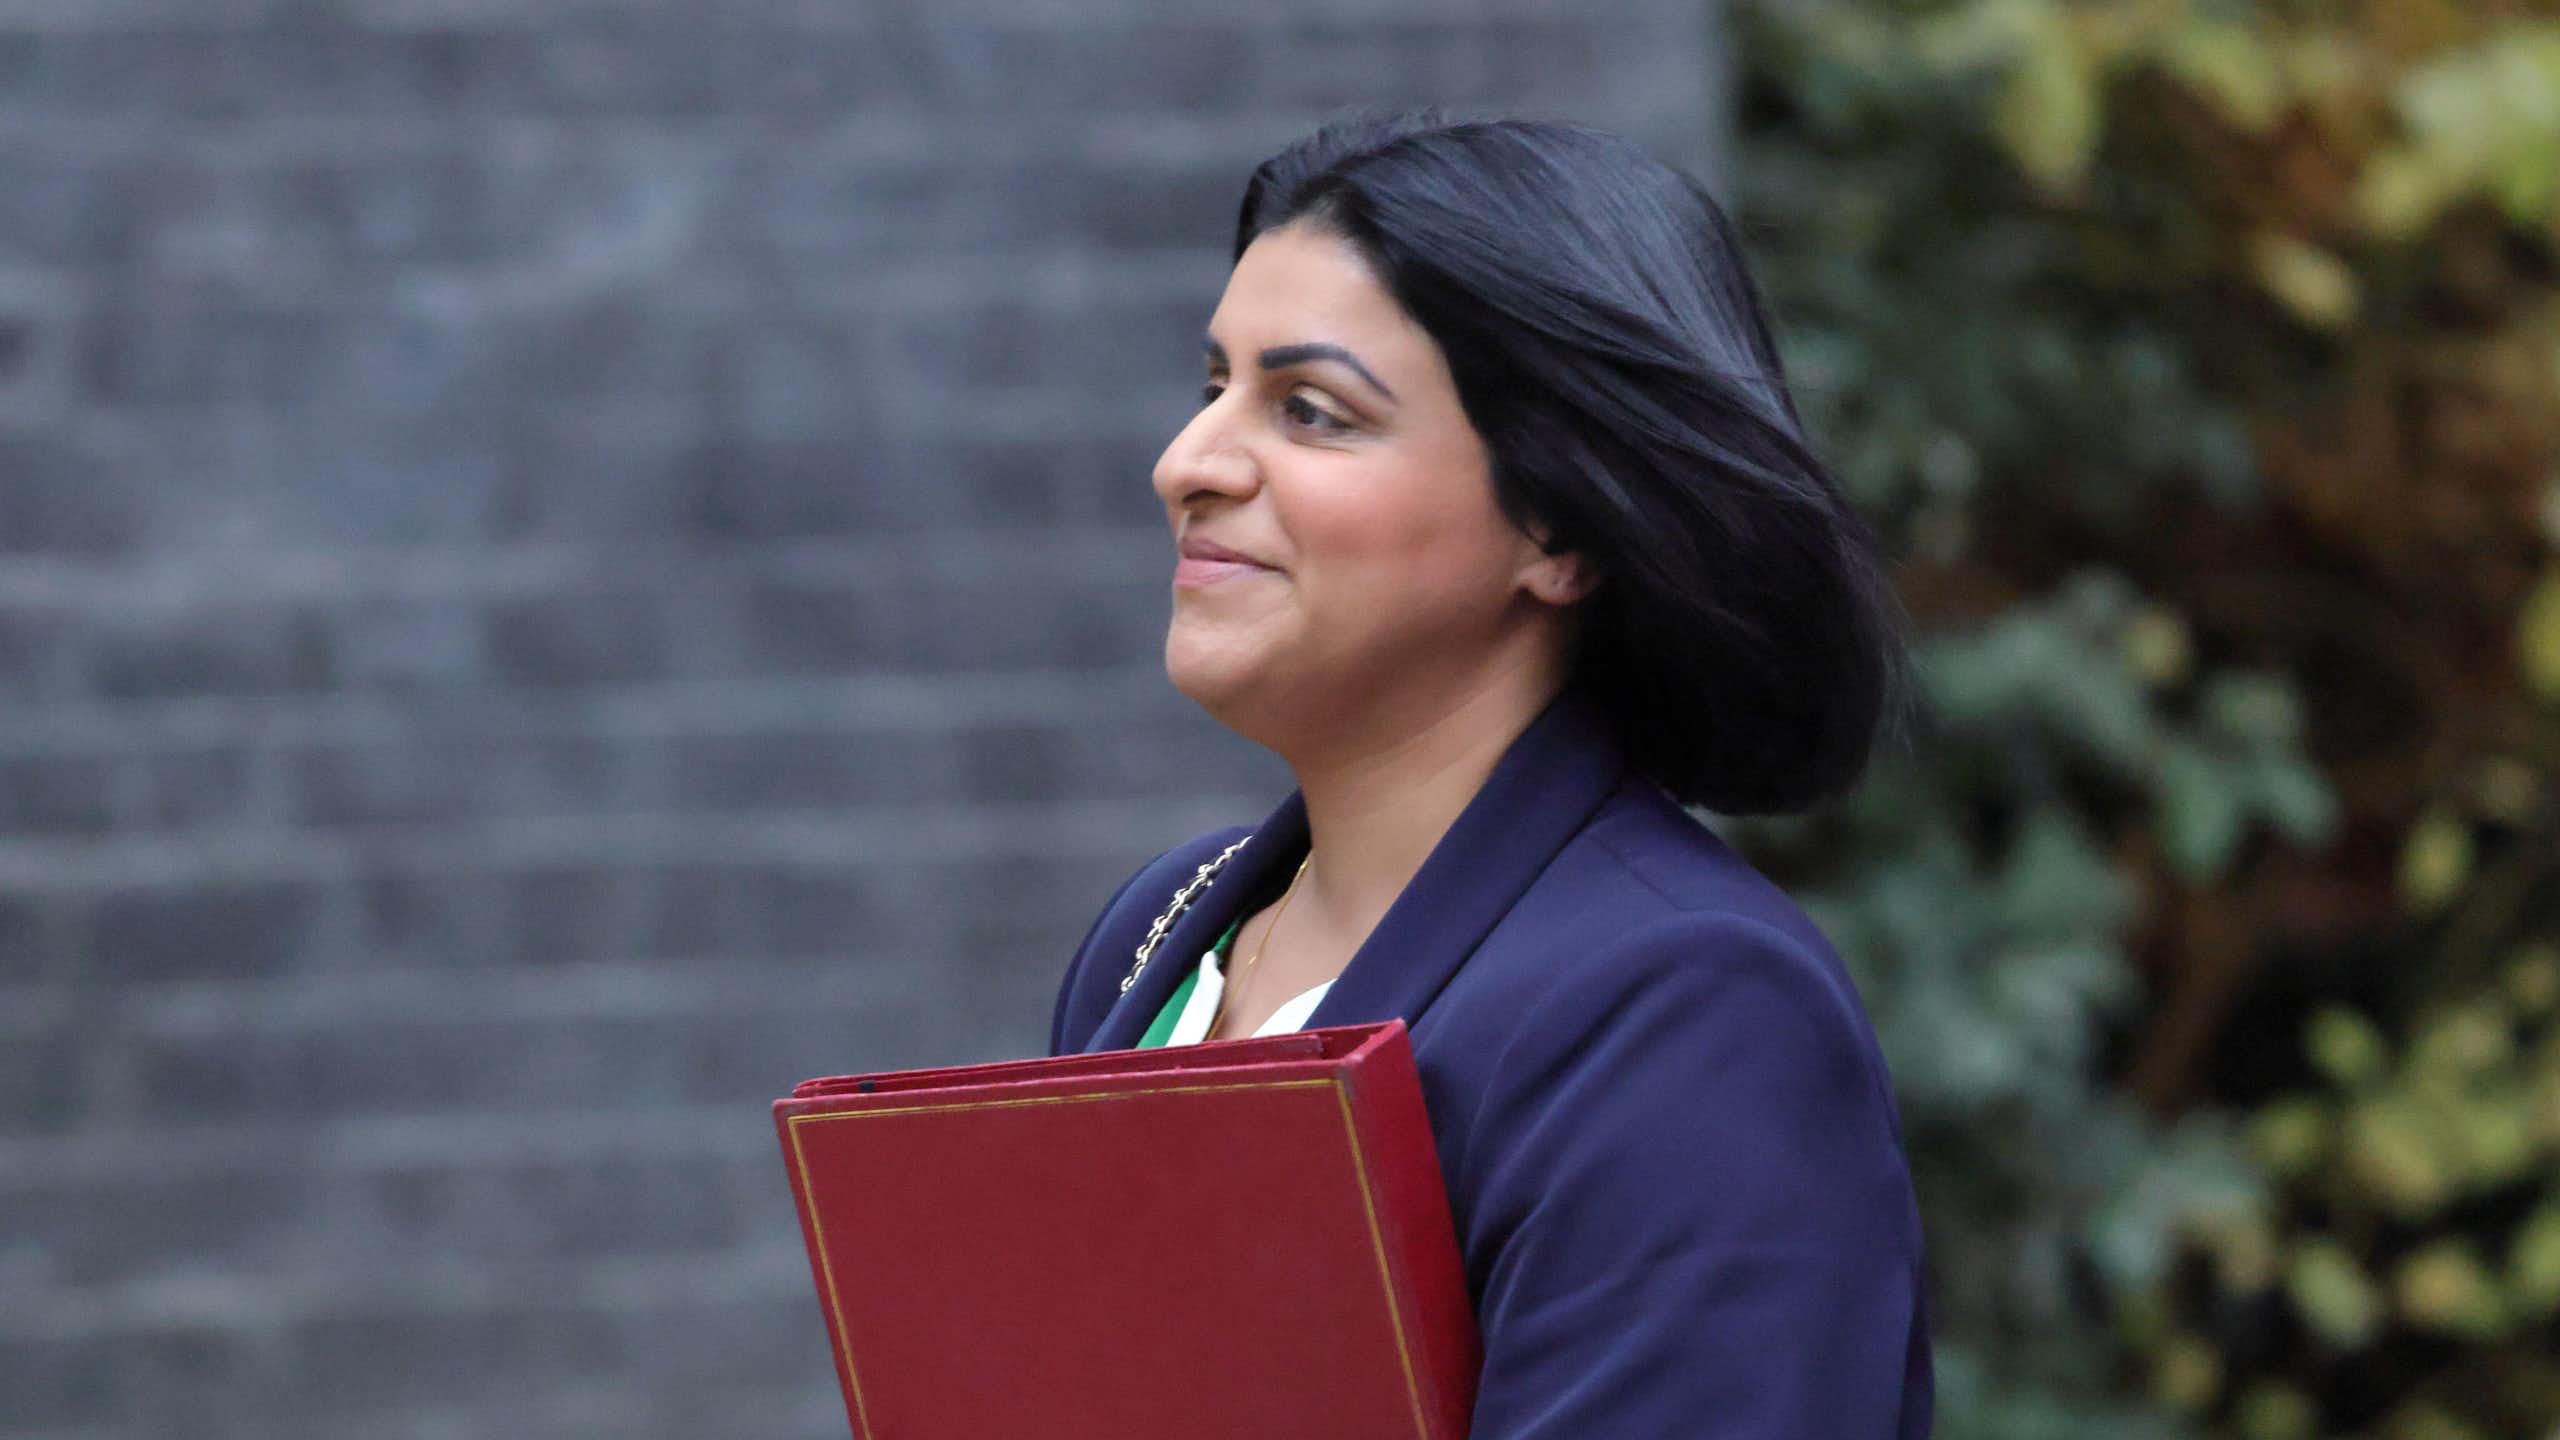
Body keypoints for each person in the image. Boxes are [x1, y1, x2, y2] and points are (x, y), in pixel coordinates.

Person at [1047, 108, 1933, 1439]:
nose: (1189, 464)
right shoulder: (1164, 935)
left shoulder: (1686, 1015)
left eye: (1311, 410)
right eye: (1212, 387)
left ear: (1559, 525)